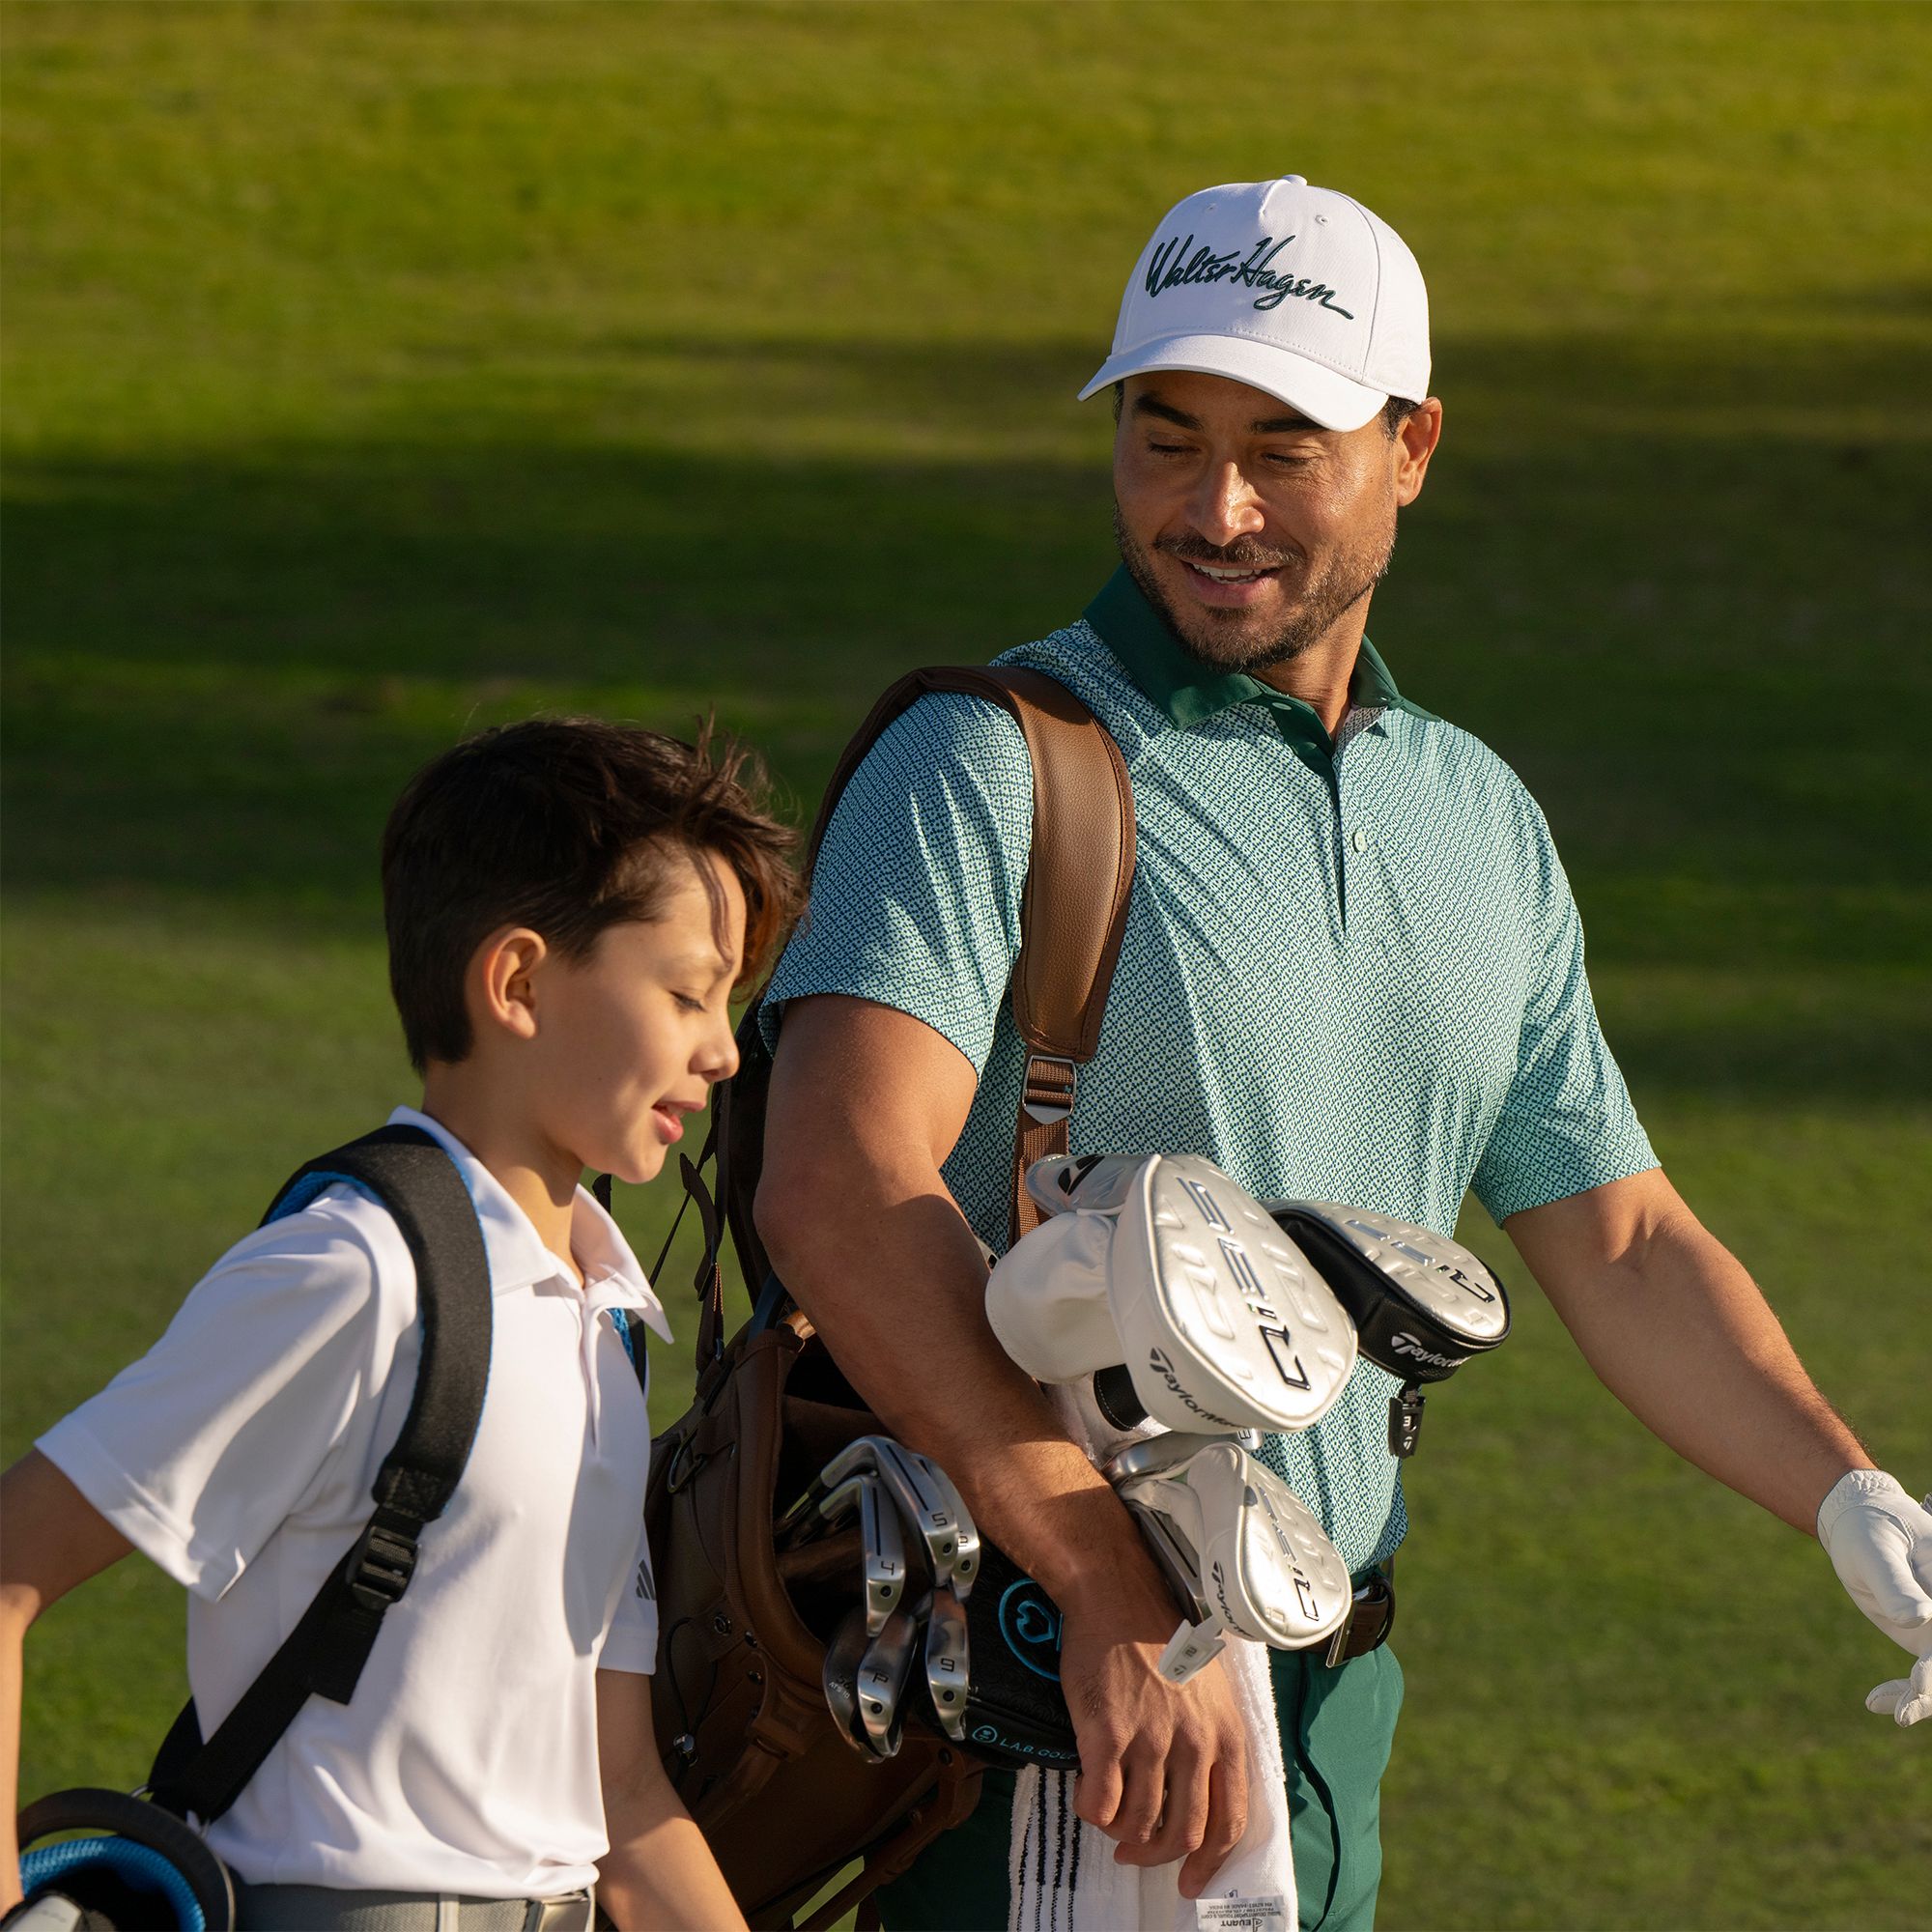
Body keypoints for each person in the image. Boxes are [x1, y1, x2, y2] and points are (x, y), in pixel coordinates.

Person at [752, 176, 1932, 1931]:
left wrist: (1849, 1497)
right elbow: (840, 1190)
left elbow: (1618, 1237)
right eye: (1167, 439)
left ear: (1414, 447)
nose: (1213, 508)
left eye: (1285, 446)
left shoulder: (1477, 819)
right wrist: (1101, 1586)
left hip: (1326, 1696)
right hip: (1030, 1685)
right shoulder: (990, 761)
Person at [1, 718, 800, 1931]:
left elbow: (622, 1792)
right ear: (518, 981)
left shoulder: (603, 1323)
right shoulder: (354, 1272)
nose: (723, 1048)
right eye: (688, 991)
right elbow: (10, 1562)